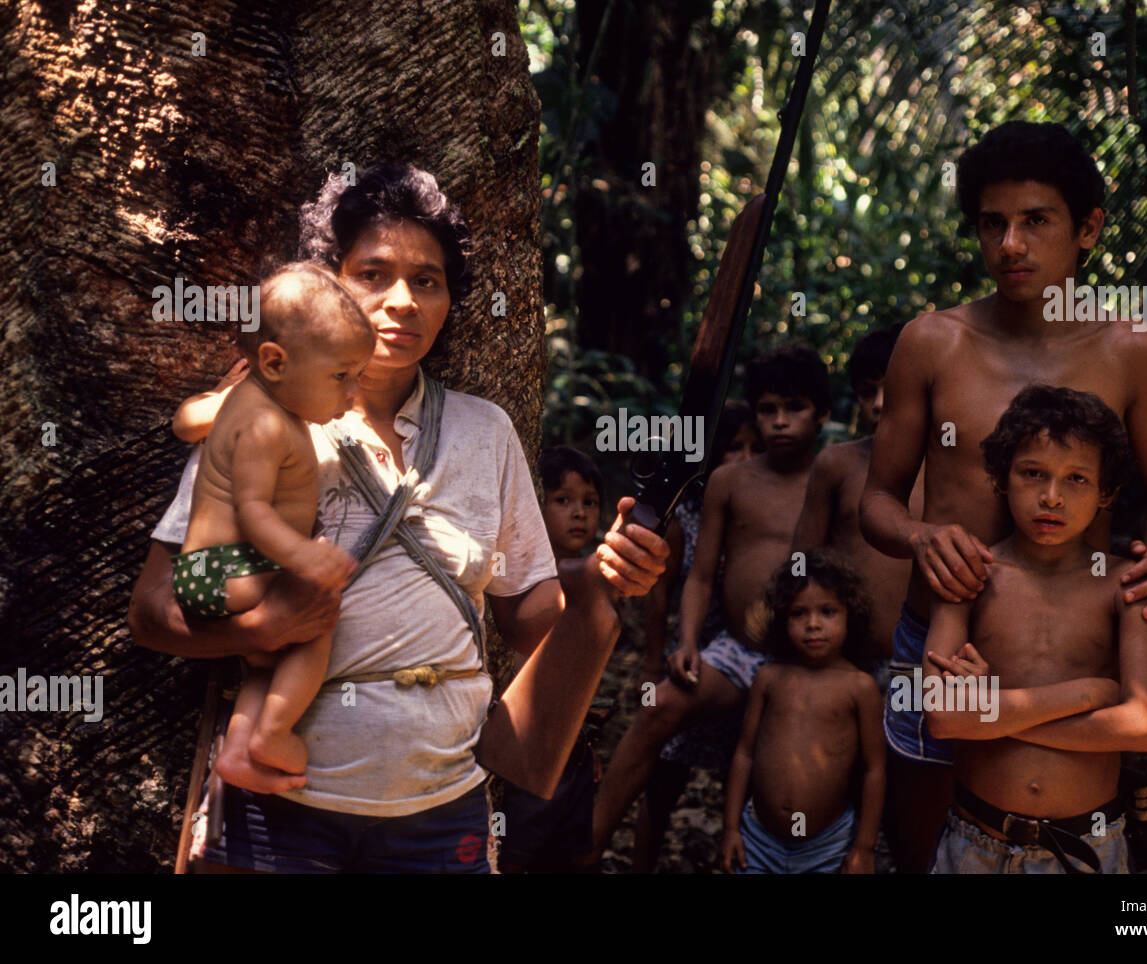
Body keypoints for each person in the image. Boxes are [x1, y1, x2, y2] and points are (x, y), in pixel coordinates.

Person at [128, 163, 667, 874]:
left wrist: (603, 577)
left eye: (427, 280)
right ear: (330, 287)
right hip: (281, 809)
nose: (401, 302)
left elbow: (531, 618)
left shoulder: (486, 432)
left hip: (444, 811)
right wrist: (265, 628)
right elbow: (152, 612)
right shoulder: (261, 416)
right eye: (372, 274)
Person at [858, 121, 1147, 872]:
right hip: (944, 648)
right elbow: (875, 500)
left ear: (1088, 229)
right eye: (992, 223)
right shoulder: (932, 342)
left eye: (1035, 220)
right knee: (929, 852)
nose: (1010, 244)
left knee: (1064, 834)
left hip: (1077, 642)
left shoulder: (1133, 352)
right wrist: (919, 538)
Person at [583, 345, 829, 864]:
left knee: (805, 769)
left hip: (809, 656)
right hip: (736, 649)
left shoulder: (835, 478)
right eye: (767, 409)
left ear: (823, 413)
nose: (780, 422)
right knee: (659, 708)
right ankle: (582, 849)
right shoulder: (731, 481)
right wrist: (689, 641)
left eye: (795, 407)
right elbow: (698, 575)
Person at [924, 385, 1147, 873]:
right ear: (1002, 479)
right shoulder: (970, 574)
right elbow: (945, 718)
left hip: (1086, 848)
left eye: (1076, 478)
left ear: (1106, 493)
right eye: (1032, 473)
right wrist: (1089, 692)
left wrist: (991, 710)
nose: (1051, 497)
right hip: (976, 842)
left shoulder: (1124, 583)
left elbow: (1141, 726)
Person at [170, 264, 373, 787]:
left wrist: (210, 402)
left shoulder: (245, 399)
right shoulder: (265, 423)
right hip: (226, 570)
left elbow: (185, 421)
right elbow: (254, 511)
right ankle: (275, 732)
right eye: (340, 377)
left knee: (265, 659)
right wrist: (303, 557)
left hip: (210, 575)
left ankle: (239, 750)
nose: (352, 394)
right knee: (315, 624)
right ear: (275, 362)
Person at [632, 400, 760, 872]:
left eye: (753, 448)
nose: (743, 459)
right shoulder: (687, 513)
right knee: (664, 777)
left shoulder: (761, 512)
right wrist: (650, 666)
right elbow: (661, 596)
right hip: (690, 660)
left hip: (742, 664)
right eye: (732, 448)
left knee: (739, 775)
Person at [721, 549, 886, 874]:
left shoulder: (859, 687)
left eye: (827, 611)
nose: (813, 625)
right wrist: (730, 829)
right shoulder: (769, 679)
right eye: (799, 614)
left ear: (849, 615)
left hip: (828, 846)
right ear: (782, 619)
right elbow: (744, 753)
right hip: (758, 840)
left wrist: (864, 848)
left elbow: (875, 770)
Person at [498, 446, 603, 872]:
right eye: (563, 501)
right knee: (514, 854)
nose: (579, 513)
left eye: (589, 502)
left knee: (571, 855)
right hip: (522, 756)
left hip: (573, 753)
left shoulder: (594, 581)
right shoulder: (521, 586)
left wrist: (587, 743)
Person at [792, 324, 918, 671]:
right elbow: (802, 563)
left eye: (890, 388)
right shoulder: (836, 464)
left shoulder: (951, 471)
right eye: (867, 392)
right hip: (844, 660)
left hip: (927, 662)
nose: (878, 404)